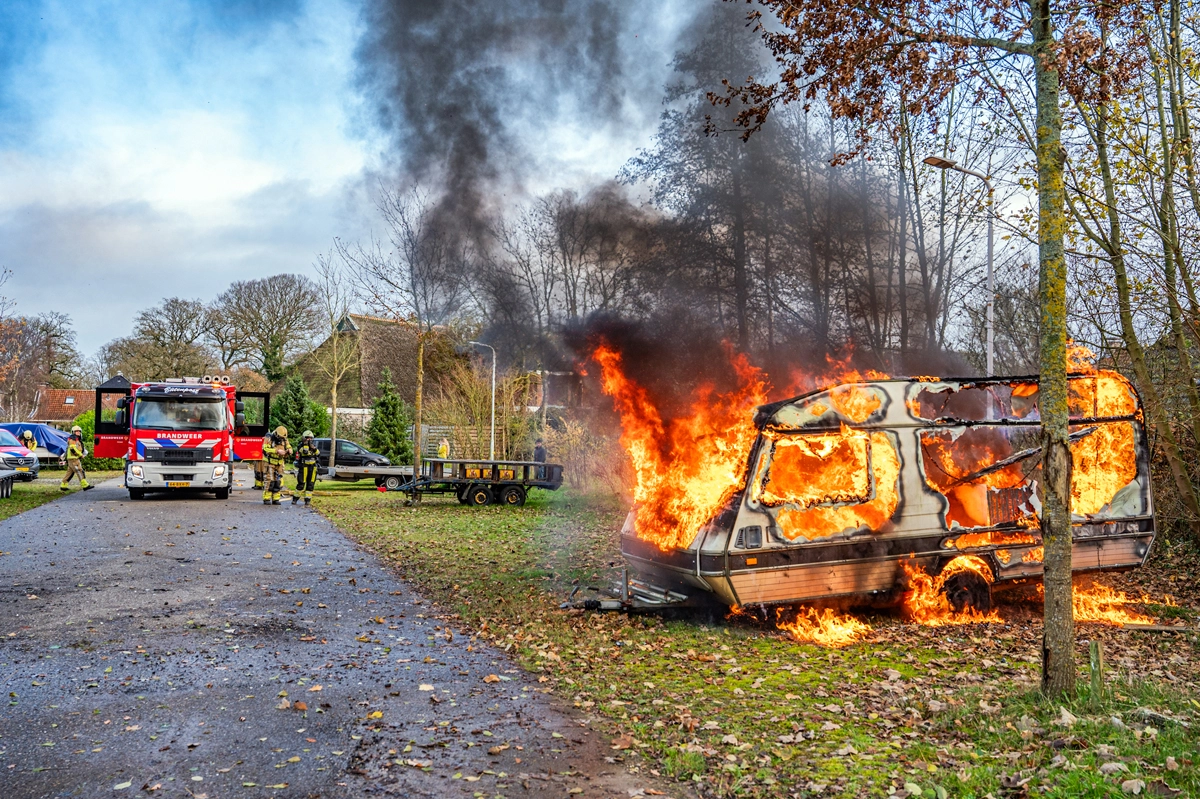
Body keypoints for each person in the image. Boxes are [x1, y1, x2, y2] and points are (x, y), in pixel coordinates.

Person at [261, 425, 293, 505]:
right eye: (280, 437)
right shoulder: (269, 438)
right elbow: (265, 448)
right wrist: (276, 451)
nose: (282, 439)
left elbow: (289, 446)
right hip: (269, 463)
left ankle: (276, 499)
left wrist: (289, 450)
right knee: (269, 481)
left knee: (278, 482)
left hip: (280, 463)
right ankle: (267, 498)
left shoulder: (284, 440)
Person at [60, 425, 92, 492]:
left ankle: (63, 486)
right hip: (74, 458)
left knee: (70, 473)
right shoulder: (73, 439)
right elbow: (72, 449)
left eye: (79, 431)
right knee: (80, 471)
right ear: (73, 432)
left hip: (72, 458)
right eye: (76, 431)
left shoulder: (76, 439)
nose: (78, 432)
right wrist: (80, 455)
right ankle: (85, 485)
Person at [293, 430, 320, 506]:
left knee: (310, 484)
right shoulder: (300, 445)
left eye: (310, 438)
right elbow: (304, 452)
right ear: (304, 438)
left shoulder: (314, 445)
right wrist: (306, 446)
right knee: (301, 483)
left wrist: (314, 448)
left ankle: (307, 500)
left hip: (313, 467)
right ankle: (295, 499)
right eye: (307, 438)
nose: (309, 440)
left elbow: (318, 453)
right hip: (304, 466)